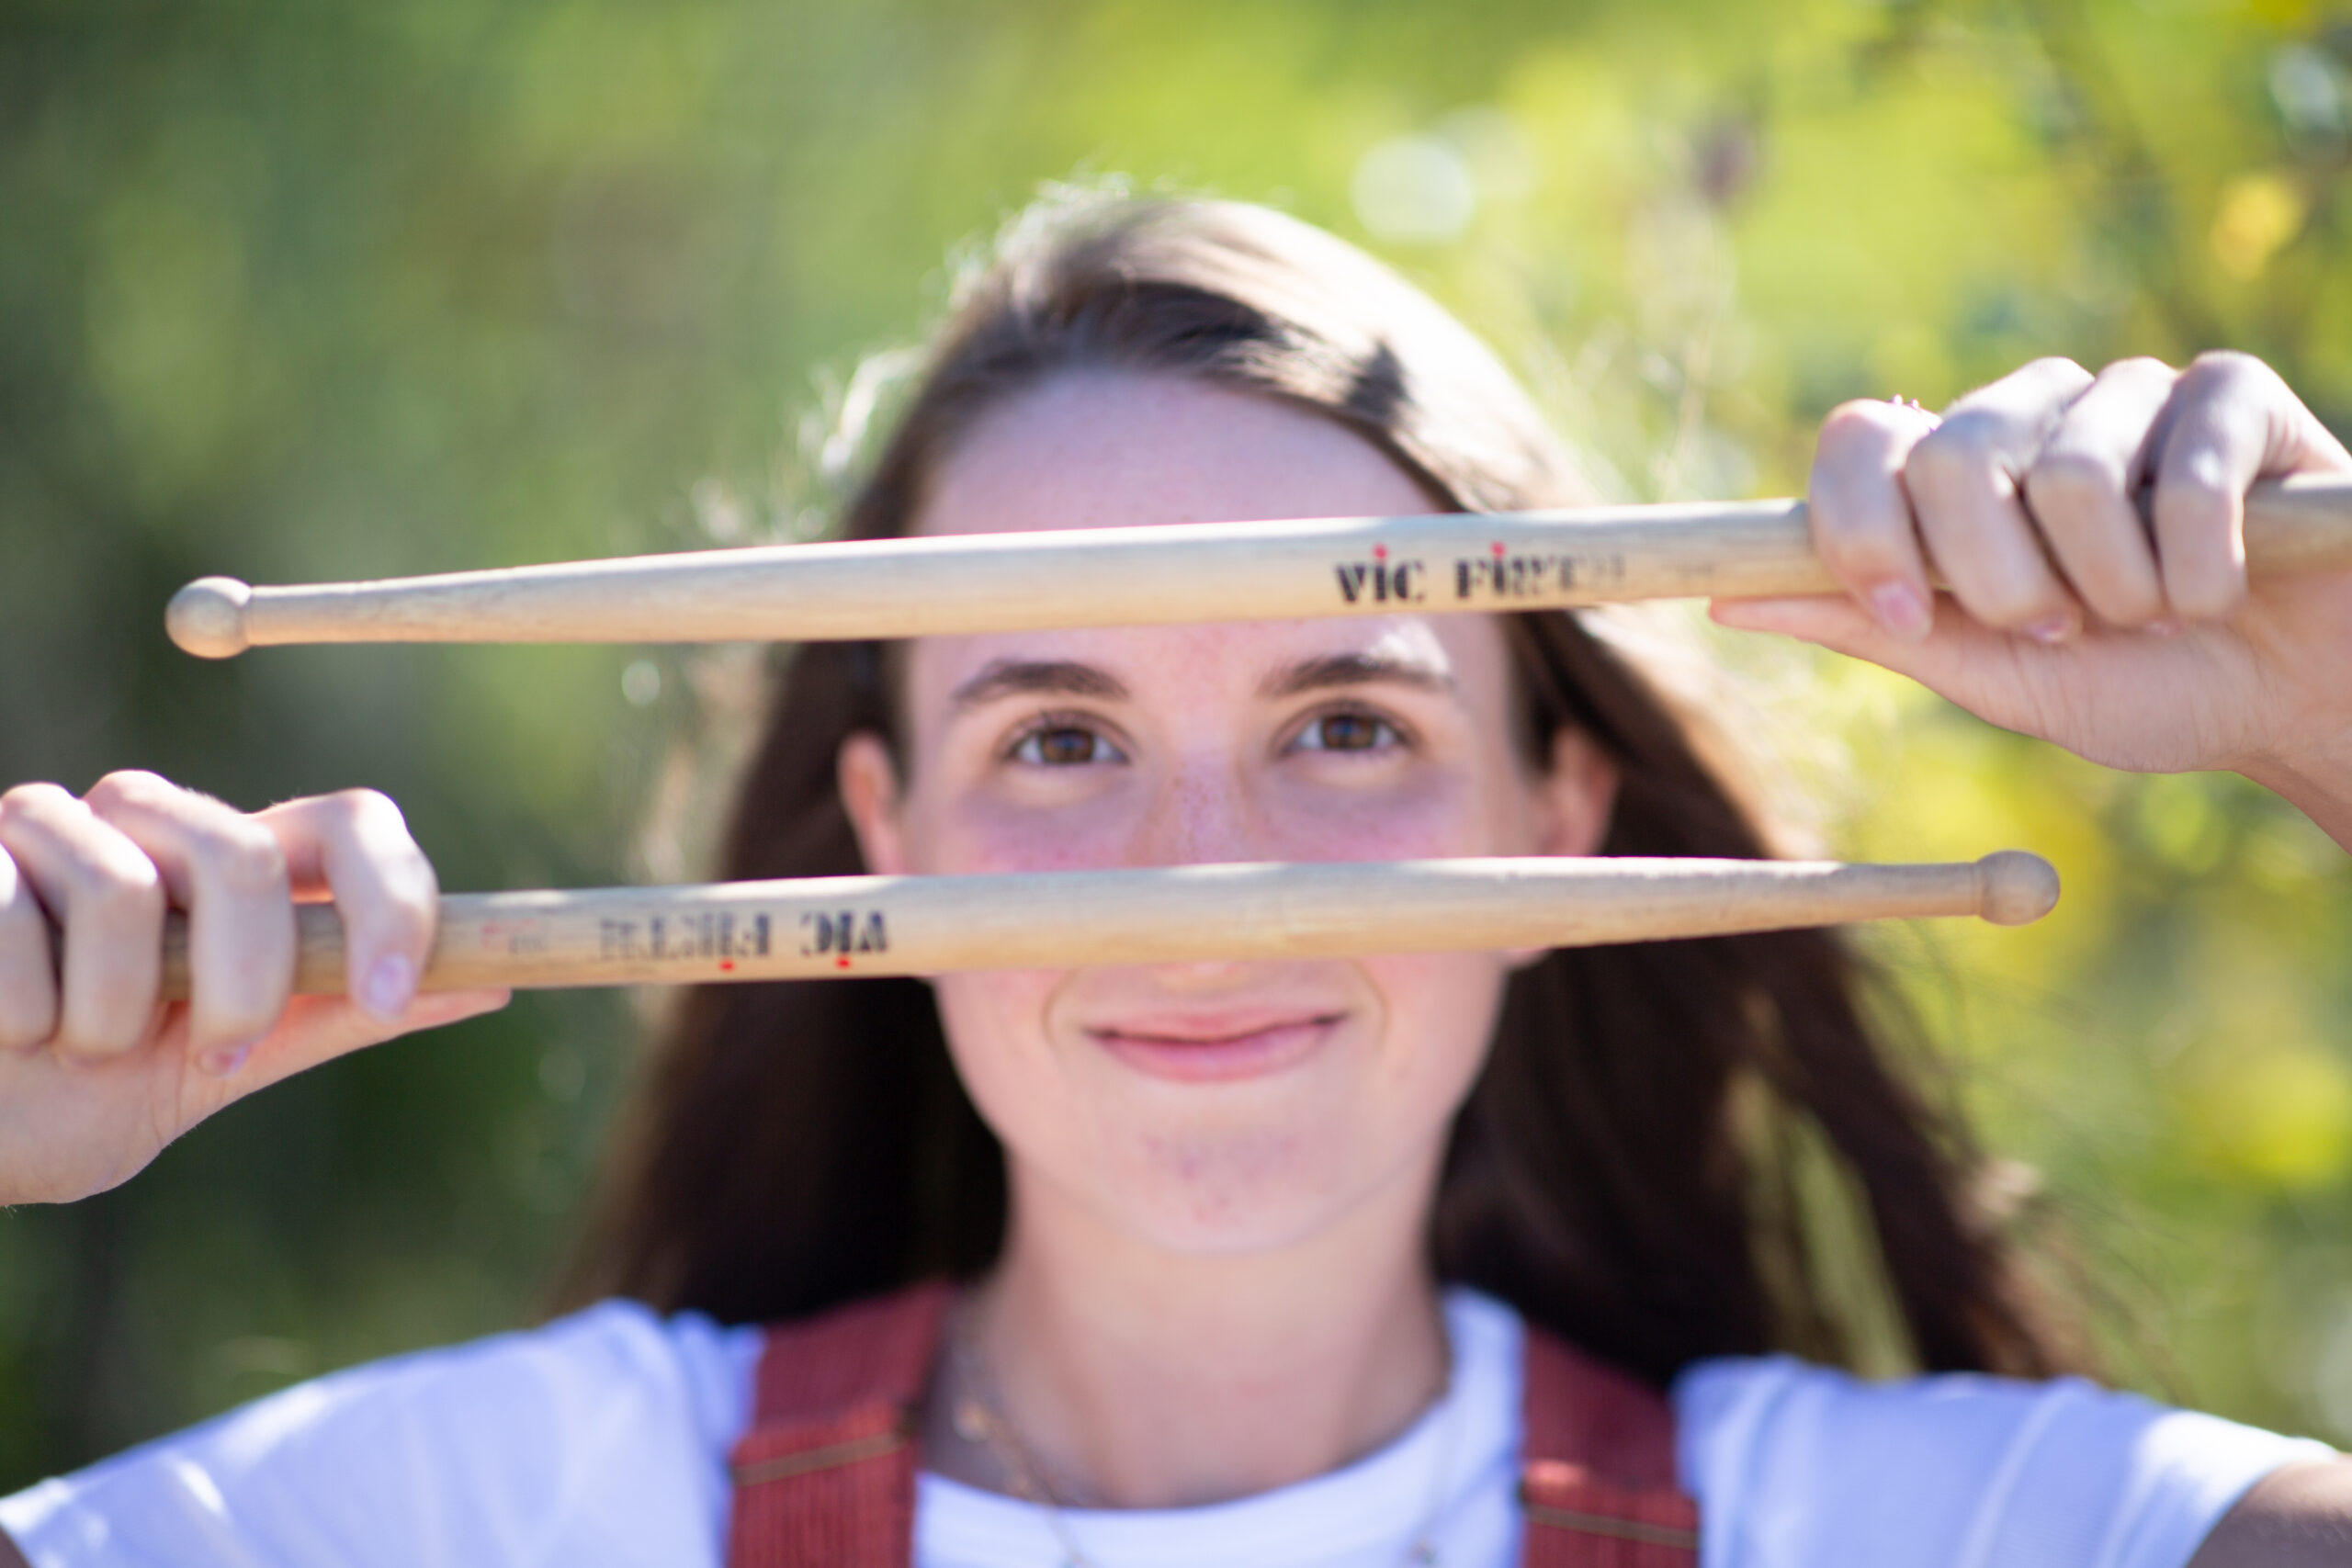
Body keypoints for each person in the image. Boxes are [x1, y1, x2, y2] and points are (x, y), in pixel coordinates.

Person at [2, 192, 2349, 1568]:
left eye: (1347, 721)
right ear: (884, 830)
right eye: (1055, 734)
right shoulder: (486, 1512)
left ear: (1554, 820)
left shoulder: (1939, 1531)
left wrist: (2326, 711)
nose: (1200, 869)